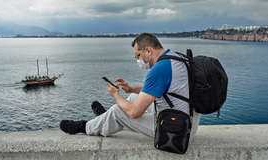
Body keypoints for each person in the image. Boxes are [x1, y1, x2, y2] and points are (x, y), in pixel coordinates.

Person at [60, 33, 200, 140]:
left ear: (148, 50)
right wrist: (131, 89)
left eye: (138, 55)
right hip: (187, 120)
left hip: (175, 129)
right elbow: (162, 88)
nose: (138, 60)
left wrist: (116, 95)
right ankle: (103, 118)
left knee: (117, 111)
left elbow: (134, 113)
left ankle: (85, 127)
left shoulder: (159, 69)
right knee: (133, 97)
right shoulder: (175, 57)